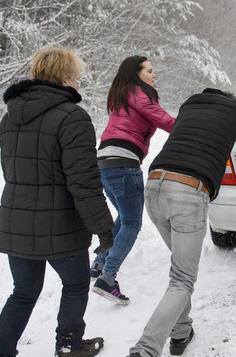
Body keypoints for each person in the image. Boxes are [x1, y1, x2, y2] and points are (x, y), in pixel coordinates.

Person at [127, 88, 236, 357]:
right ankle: (146, 349)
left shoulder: (188, 105)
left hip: (155, 187)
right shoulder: (234, 110)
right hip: (188, 191)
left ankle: (181, 332)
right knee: (182, 279)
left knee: (179, 270)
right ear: (229, 100)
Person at [0, 48, 115, 357]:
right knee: (75, 284)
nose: (78, 82)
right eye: (75, 76)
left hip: (16, 221)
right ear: (63, 78)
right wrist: (104, 228)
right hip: (60, 225)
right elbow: (83, 181)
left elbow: (11, 171)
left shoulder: (10, 116)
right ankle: (69, 345)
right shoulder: (72, 116)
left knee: (24, 291)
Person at [91, 56, 176, 305]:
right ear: (136, 73)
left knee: (123, 216)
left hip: (106, 161)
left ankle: (100, 262)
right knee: (131, 223)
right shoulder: (138, 92)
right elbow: (164, 120)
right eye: (149, 70)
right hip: (124, 162)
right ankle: (107, 278)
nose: (153, 74)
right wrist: (196, 127)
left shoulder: (122, 93)